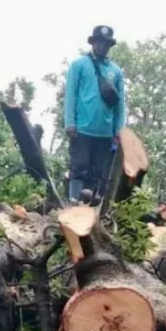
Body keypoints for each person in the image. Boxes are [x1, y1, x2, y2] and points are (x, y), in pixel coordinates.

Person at [64, 25, 126, 203]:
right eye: (99, 42)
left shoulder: (116, 71)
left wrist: (118, 131)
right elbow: (71, 95)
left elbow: (120, 104)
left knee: (98, 172)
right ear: (93, 43)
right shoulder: (79, 65)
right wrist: (69, 122)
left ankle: (91, 209)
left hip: (105, 132)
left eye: (106, 43)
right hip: (82, 128)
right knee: (79, 166)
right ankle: (74, 202)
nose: (102, 46)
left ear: (109, 46)